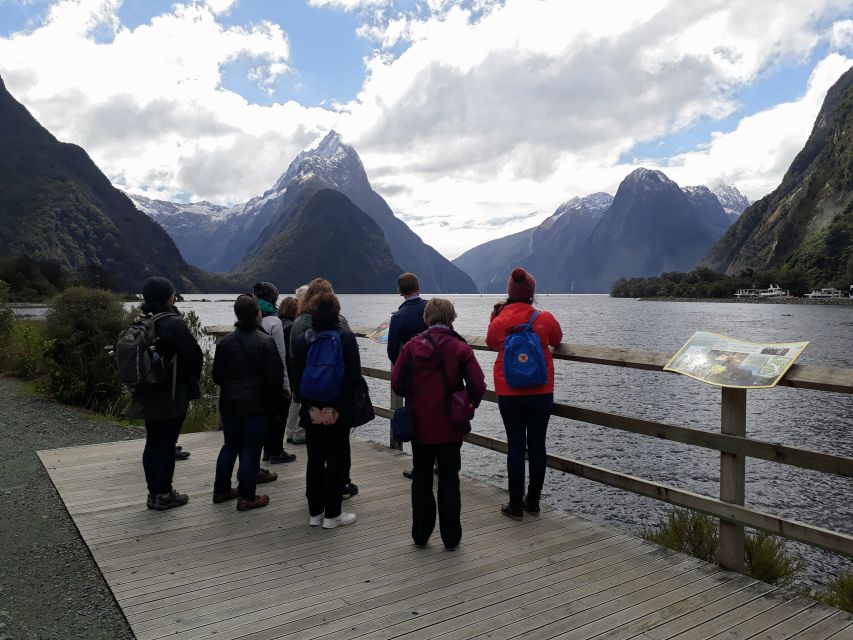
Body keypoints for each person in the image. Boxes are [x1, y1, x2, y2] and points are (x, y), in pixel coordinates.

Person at [391, 299, 485, 550]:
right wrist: (467, 404)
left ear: (427, 318)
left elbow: (397, 384)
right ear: (452, 318)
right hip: (451, 425)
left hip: (420, 424)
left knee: (421, 477)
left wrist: (416, 393)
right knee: (449, 478)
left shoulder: (411, 347)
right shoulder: (460, 348)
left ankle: (421, 534)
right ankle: (451, 537)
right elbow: (478, 383)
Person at [486, 268, 562, 521]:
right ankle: (534, 503)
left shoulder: (500, 320)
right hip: (541, 390)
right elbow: (558, 339)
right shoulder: (544, 318)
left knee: (516, 446)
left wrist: (495, 315)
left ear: (510, 292)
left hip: (509, 390)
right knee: (538, 445)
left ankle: (515, 506)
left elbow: (491, 342)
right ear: (531, 293)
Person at [124, 276, 203, 511]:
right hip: (171, 392)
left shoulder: (145, 320)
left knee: (153, 442)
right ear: (169, 297)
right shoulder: (172, 322)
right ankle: (165, 494)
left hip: (147, 390)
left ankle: (153, 494)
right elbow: (195, 355)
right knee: (167, 444)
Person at [291, 291, 360, 528]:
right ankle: (332, 515)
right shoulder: (345, 337)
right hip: (337, 409)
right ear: (336, 312)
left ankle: (314, 514)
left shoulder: (304, 338)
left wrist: (306, 402)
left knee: (315, 460)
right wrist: (342, 407)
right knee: (336, 459)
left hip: (311, 408)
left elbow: (296, 374)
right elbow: (353, 377)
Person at [211, 294, 284, 511]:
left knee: (229, 446)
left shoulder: (225, 343)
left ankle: (221, 490)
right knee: (251, 449)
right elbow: (276, 378)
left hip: (230, 404)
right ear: (257, 314)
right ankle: (247, 496)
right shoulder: (266, 342)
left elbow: (217, 376)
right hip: (257, 405)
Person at [387, 272, 428, 480]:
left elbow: (392, 351)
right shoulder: (431, 308)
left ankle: (420, 467)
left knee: (417, 420)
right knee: (437, 417)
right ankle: (440, 463)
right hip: (437, 374)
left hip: (414, 376)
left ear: (399, 291)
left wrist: (404, 368)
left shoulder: (398, 317)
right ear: (418, 286)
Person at [253, 281, 296, 465]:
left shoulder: (250, 317)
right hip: (273, 379)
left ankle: (265, 451)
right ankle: (276, 451)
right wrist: (286, 384)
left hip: (255, 379)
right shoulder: (274, 322)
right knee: (279, 416)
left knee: (263, 417)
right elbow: (281, 356)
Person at [283, 287, 308, 445]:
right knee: (302, 401)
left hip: (292, 366)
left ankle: (290, 431)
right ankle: (300, 432)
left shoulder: (295, 321)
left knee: (295, 401)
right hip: (300, 366)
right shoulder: (302, 322)